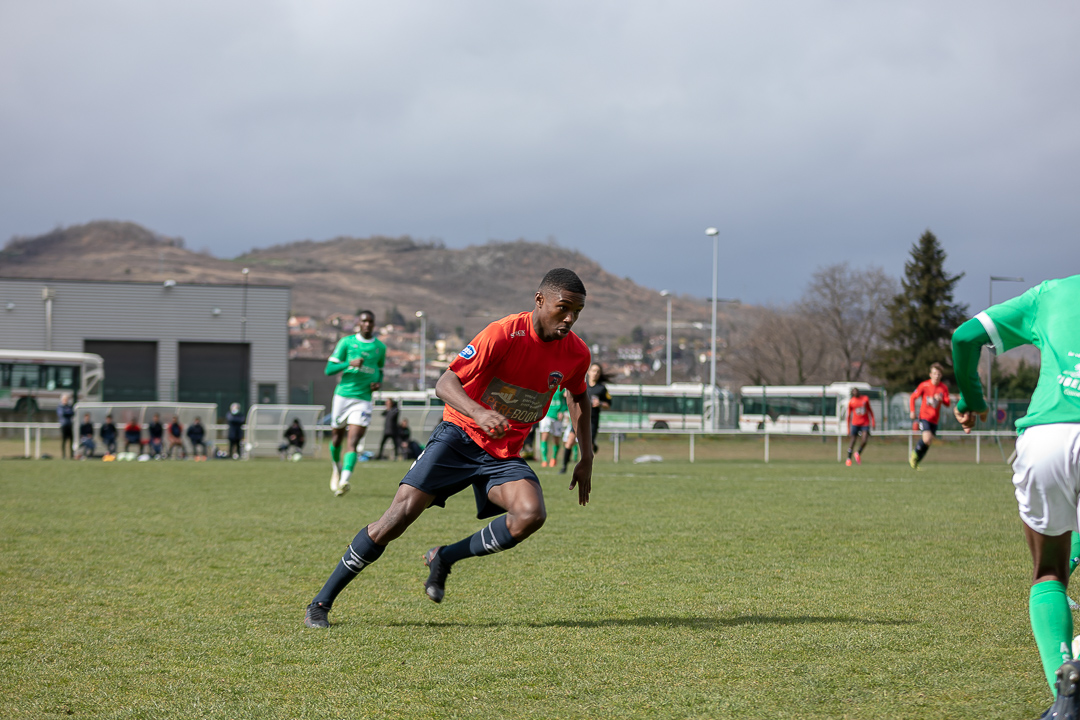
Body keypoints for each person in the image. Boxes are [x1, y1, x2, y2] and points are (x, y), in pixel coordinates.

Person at [304, 268, 594, 629]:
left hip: (502, 453)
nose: (569, 319)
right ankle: (321, 602)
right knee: (395, 521)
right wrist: (478, 412)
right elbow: (445, 382)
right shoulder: (502, 333)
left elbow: (579, 396)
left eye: (577, 312)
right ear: (539, 301)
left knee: (530, 515)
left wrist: (586, 457)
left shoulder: (576, 352)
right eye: (563, 308)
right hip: (458, 436)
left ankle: (444, 557)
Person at [950, 275, 1080, 715]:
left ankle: (1066, 697)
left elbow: (965, 336)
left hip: (1046, 438)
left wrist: (973, 397)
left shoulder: (1052, 293)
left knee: (1049, 575)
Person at [325, 310, 387, 496]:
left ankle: (344, 481)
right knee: (336, 438)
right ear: (358, 324)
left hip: (364, 399)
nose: (367, 324)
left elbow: (380, 370)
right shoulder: (346, 342)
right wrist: (349, 363)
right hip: (343, 396)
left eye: (371, 321)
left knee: (353, 441)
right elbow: (329, 369)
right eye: (364, 321)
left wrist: (378, 383)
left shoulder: (380, 347)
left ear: (374, 324)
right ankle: (336, 468)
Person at [561, 363, 611, 473]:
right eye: (593, 370)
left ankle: (586, 469)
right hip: (578, 418)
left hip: (592, 421)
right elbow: (568, 394)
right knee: (569, 442)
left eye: (598, 371)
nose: (595, 373)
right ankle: (563, 467)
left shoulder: (601, 389)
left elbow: (609, 404)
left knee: (588, 447)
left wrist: (601, 403)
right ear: (588, 372)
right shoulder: (581, 385)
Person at [908, 362, 951, 469]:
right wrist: (912, 411)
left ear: (941, 375)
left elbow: (948, 403)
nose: (937, 376)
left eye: (939, 374)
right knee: (926, 439)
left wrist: (942, 399)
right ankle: (914, 454)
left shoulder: (943, 388)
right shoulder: (924, 385)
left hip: (935, 419)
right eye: (935, 373)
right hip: (924, 417)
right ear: (930, 374)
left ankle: (916, 461)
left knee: (928, 442)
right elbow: (913, 397)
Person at [845, 387, 875, 466]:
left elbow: (870, 410)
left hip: (865, 423)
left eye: (856, 391)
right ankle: (848, 459)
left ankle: (858, 453)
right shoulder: (851, 402)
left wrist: (873, 421)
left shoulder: (865, 399)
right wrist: (848, 428)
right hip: (855, 423)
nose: (855, 393)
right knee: (853, 441)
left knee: (864, 440)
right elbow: (848, 415)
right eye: (854, 392)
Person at [537, 387, 567, 467]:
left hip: (557, 416)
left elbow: (567, 400)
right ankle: (544, 460)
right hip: (546, 415)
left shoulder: (562, 386)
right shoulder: (545, 384)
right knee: (544, 436)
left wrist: (562, 410)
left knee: (556, 439)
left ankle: (554, 458)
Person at [57, 393, 75, 459]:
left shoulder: (69, 406)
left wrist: (68, 412)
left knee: (71, 440)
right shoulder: (60, 407)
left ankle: (71, 455)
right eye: (65, 399)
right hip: (64, 425)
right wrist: (68, 412)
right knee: (64, 441)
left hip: (69, 425)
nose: (66, 400)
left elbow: (72, 413)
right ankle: (63, 455)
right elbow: (62, 414)